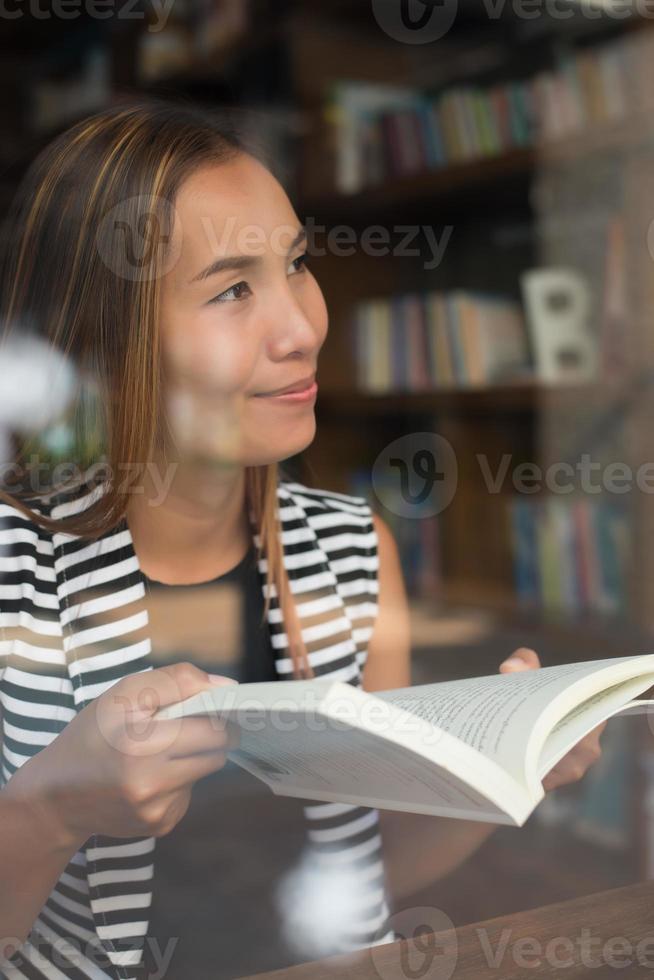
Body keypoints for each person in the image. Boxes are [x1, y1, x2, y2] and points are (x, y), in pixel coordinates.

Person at [0, 98, 605, 980]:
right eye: (234, 289)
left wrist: (504, 780)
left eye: (298, 265)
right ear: (102, 338)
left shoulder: (354, 551)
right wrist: (49, 812)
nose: (303, 328)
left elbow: (374, 869)